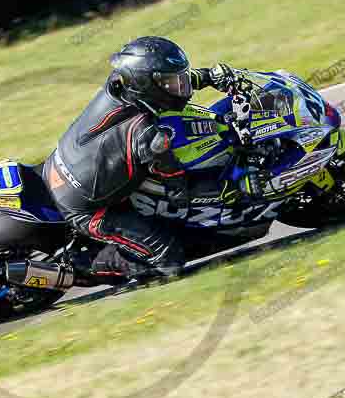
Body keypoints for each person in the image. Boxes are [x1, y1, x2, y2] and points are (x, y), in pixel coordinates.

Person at [43, 36, 247, 283]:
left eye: (179, 79)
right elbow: (177, 189)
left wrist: (208, 76)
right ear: (145, 84)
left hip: (58, 166)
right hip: (87, 210)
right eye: (173, 82)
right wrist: (199, 191)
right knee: (169, 261)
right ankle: (83, 266)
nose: (181, 87)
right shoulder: (147, 136)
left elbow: (167, 85)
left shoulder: (119, 85)